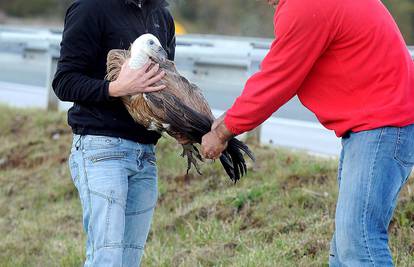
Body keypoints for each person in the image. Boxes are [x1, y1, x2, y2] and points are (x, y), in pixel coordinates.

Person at [201, 0, 414, 266]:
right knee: (345, 249)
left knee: (359, 244)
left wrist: (222, 131)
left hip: (381, 128)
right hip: (376, 126)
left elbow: (276, 81)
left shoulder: (304, 5)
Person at [52, 0, 176, 265]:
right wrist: (115, 88)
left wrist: (186, 127)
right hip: (101, 147)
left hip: (146, 154)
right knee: (106, 259)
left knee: (128, 262)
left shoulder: (161, 16)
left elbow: (162, 86)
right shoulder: (90, 8)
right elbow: (64, 81)